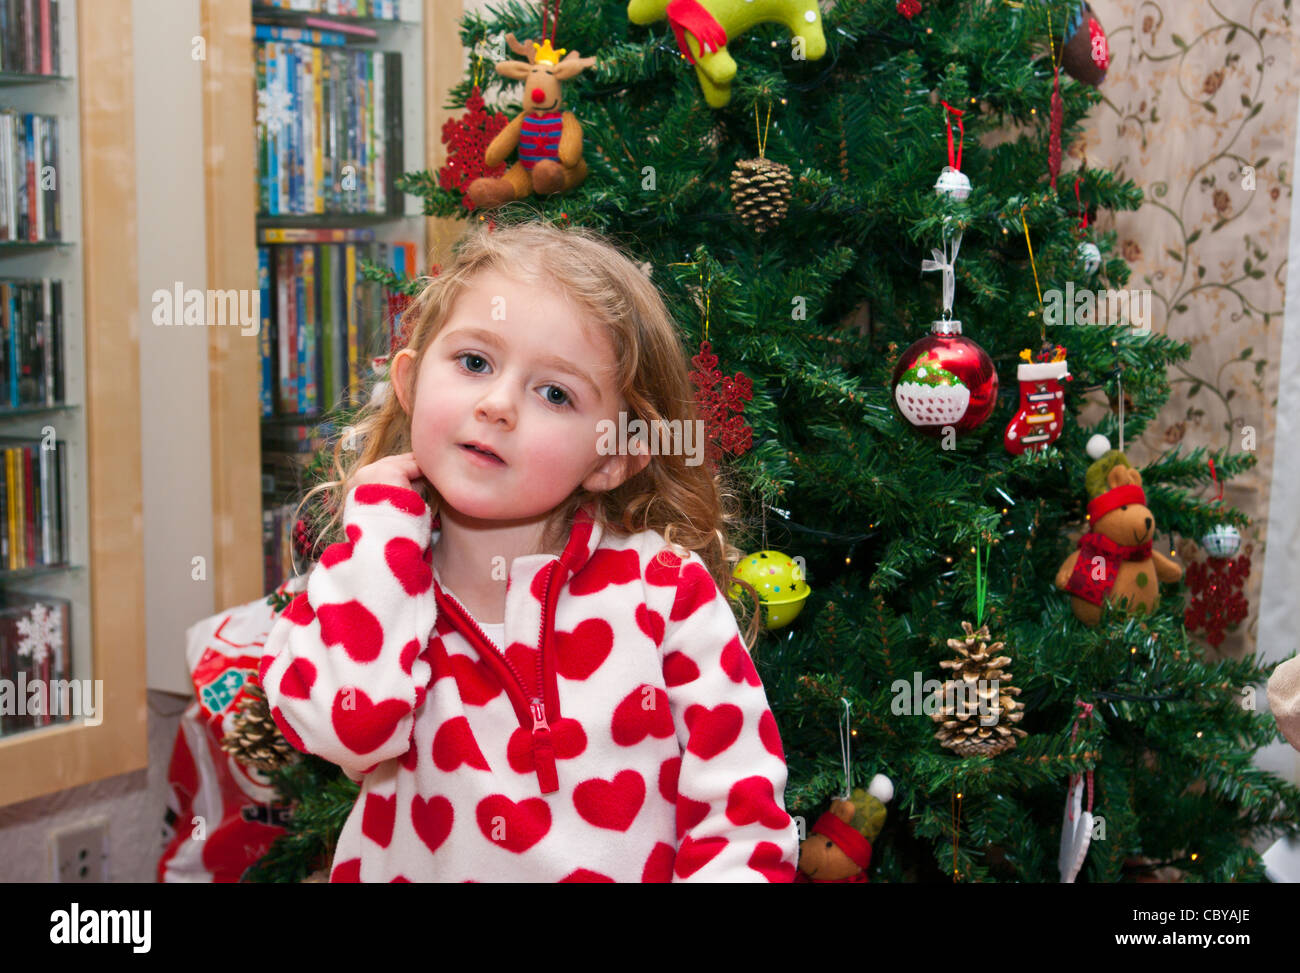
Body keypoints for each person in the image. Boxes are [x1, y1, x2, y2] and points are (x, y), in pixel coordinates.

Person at [259, 216, 797, 882]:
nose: (498, 404)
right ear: (409, 380)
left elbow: (744, 826)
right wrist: (382, 543)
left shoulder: (665, 592)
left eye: (554, 393)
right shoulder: (366, 580)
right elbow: (353, 731)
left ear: (614, 457)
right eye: (474, 361)